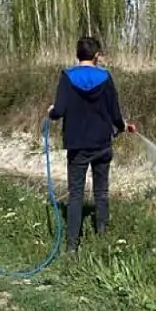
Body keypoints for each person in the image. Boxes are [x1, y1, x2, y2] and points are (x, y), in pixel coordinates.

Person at [47, 36, 136, 253]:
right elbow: (115, 114)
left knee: (76, 195)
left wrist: (51, 111)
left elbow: (58, 111)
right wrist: (124, 126)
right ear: (96, 55)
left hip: (77, 146)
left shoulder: (67, 77)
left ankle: (71, 247)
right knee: (101, 192)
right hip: (102, 144)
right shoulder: (105, 77)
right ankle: (102, 239)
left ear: (78, 54)